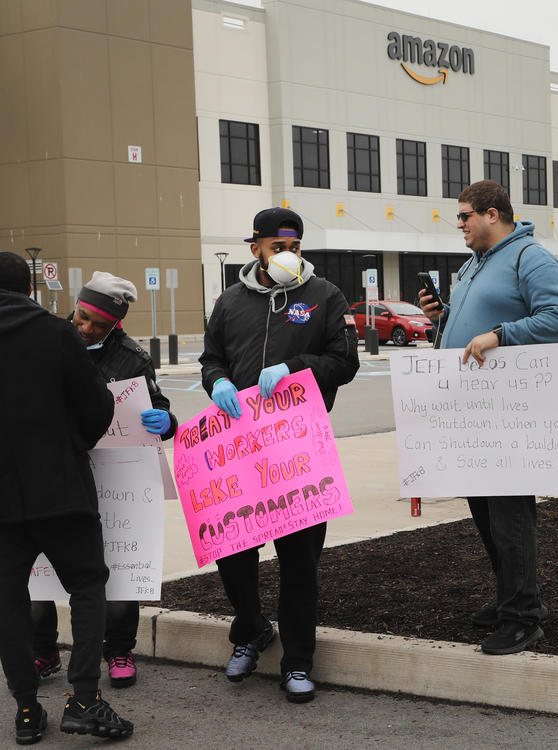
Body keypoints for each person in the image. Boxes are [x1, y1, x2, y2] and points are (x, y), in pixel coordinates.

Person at [0, 251, 133, 744]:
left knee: (9, 592)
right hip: (59, 486)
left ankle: (25, 708)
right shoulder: (56, 335)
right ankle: (85, 699)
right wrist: (70, 445)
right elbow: (96, 405)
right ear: (30, 289)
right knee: (87, 584)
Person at [200, 207, 359, 703]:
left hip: (297, 449)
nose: (287, 254)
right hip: (239, 450)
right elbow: (211, 359)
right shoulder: (229, 302)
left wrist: (293, 367)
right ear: (255, 249)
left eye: (293, 246)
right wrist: (218, 382)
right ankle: (250, 630)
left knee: (297, 561)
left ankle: (297, 663)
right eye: (276, 246)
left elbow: (344, 361)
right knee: (234, 551)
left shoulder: (324, 297)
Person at [418, 180, 558, 655]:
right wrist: (440, 318)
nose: (459, 224)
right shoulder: (470, 266)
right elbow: (469, 330)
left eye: (465, 215)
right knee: (485, 513)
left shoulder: (531, 258)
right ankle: (512, 598)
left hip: (510, 412)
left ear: (492, 214)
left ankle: (523, 617)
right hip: (473, 411)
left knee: (509, 515)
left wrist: (499, 335)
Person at [31, 271, 177, 690]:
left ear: (117, 325)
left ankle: (118, 649)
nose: (85, 328)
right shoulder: (48, 341)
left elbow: (157, 404)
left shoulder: (132, 356)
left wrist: (165, 420)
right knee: (40, 565)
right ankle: (42, 649)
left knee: (120, 565)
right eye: (81, 317)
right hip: (55, 469)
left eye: (98, 323)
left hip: (115, 477)